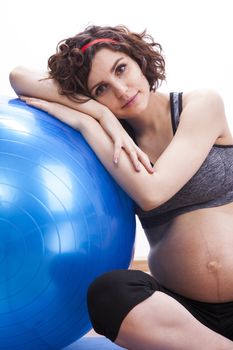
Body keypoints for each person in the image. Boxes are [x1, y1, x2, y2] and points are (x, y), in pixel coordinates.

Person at [9, 25, 233, 350]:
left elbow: (152, 191)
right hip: (185, 313)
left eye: (121, 69)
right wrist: (96, 115)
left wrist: (88, 122)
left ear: (138, 59)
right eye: (101, 89)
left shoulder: (200, 104)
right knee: (108, 294)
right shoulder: (111, 140)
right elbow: (19, 76)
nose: (120, 89)